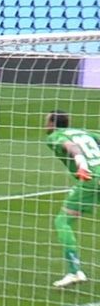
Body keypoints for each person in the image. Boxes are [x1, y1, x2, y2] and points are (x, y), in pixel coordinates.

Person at [45, 111, 100, 288]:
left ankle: (75, 271)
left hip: (91, 179)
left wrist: (83, 165)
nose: (45, 124)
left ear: (53, 123)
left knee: (63, 222)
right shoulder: (83, 132)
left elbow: (72, 148)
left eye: (47, 120)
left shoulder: (55, 136)